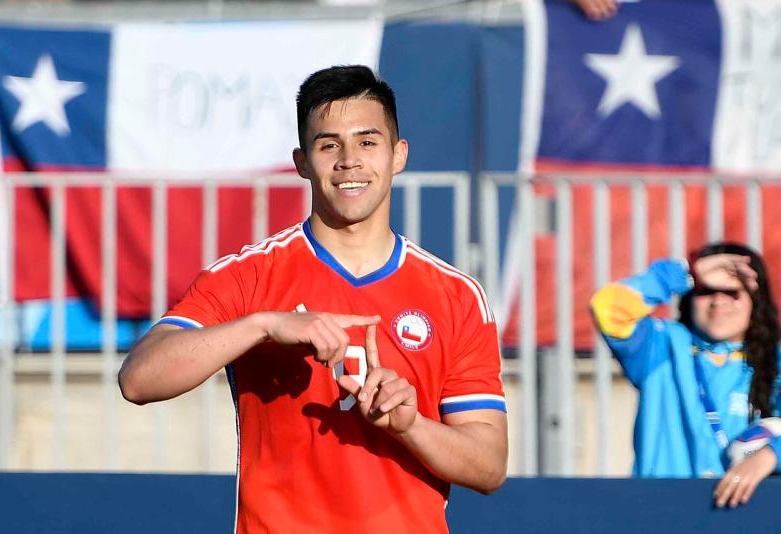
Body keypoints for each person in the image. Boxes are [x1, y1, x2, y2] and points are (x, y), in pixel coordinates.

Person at [118, 65, 508, 533]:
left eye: (367, 142)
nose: (349, 161)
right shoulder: (249, 276)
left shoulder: (456, 295)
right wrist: (263, 326)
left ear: (398, 155)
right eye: (329, 145)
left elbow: (489, 467)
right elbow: (138, 380)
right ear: (302, 162)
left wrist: (412, 427)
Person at [590, 242, 781, 508]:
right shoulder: (660, 345)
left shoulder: (774, 359)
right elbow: (607, 306)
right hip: (661, 513)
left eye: (731, 291)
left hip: (748, 516)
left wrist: (771, 455)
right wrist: (687, 272)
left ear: (755, 301)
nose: (718, 301)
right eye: (706, 290)